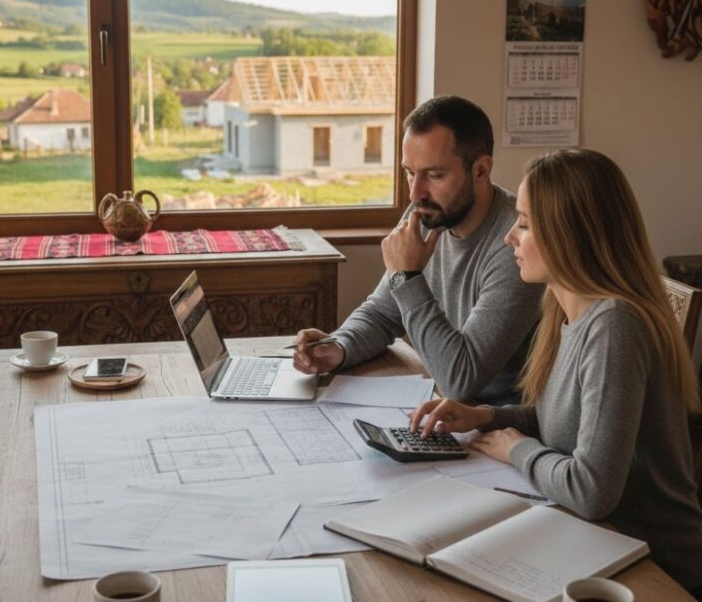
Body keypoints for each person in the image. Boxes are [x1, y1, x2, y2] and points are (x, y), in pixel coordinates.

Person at [409, 148, 702, 593]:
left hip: (656, 567)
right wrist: (485, 417)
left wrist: (516, 450)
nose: (509, 237)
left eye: (524, 223)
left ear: (572, 235)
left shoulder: (614, 326)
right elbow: (566, 422)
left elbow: (591, 490)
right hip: (598, 541)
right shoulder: (566, 310)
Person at [293, 95, 543, 405]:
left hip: (498, 428)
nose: (415, 192)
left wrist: (408, 276)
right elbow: (384, 313)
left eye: (434, 175)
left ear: (481, 170)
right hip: (444, 410)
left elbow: (460, 380)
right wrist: (338, 348)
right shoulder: (427, 213)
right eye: (410, 172)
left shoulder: (516, 245)